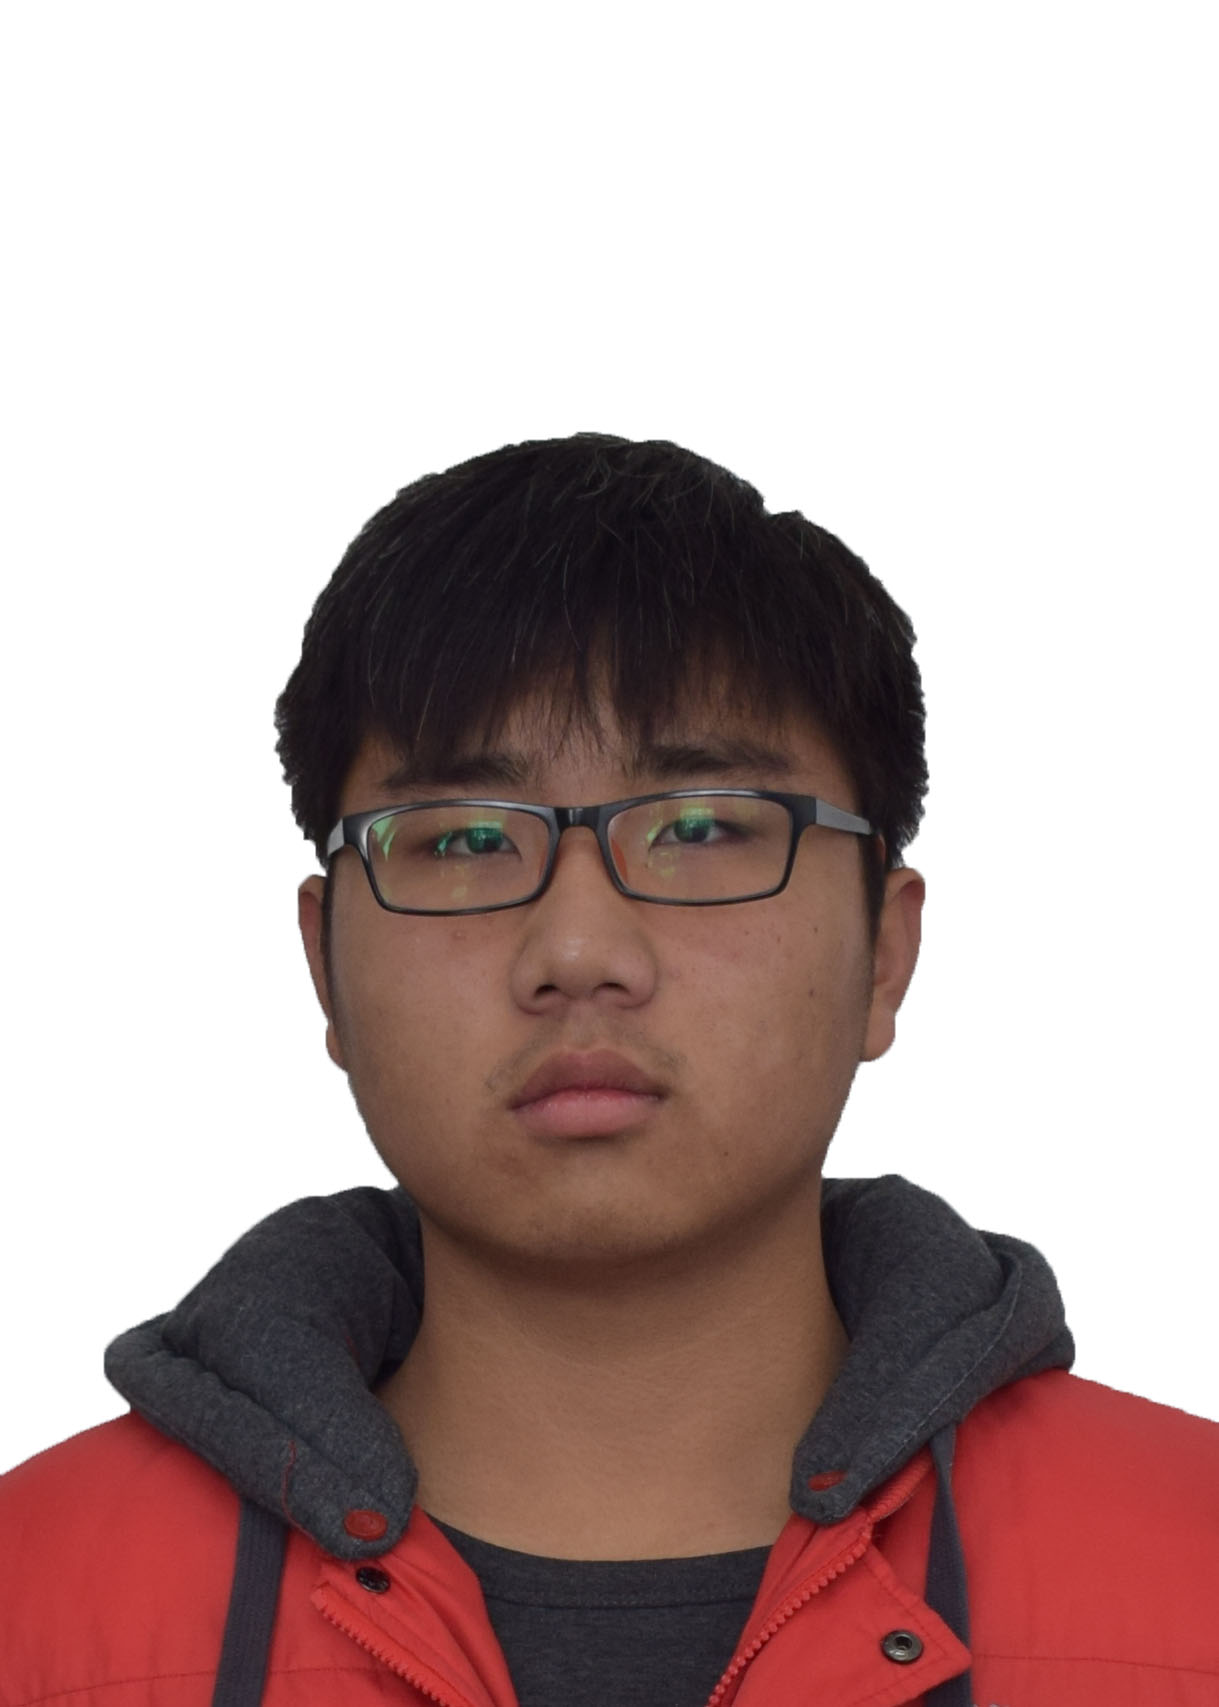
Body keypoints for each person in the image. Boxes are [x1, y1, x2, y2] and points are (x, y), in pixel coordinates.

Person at [2, 433, 1216, 1707]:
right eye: (464, 839)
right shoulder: (34, 1606)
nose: (578, 952)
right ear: (324, 966)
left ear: (884, 953)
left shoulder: (1191, 1568)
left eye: (699, 826)